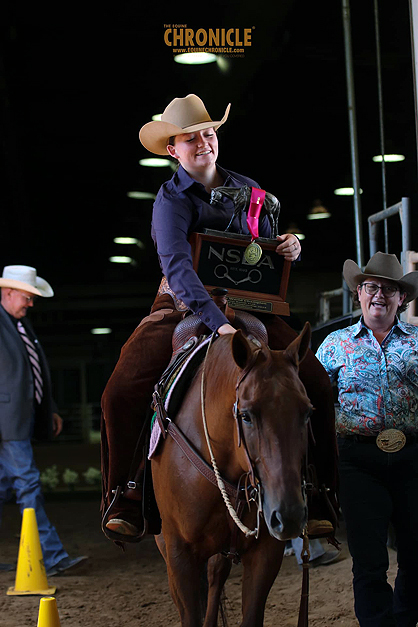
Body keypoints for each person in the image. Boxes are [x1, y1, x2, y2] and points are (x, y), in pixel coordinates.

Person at [101, 93, 338, 541]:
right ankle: (127, 494)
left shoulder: (251, 191)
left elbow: (263, 251)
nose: (202, 143)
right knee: (121, 390)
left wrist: (289, 245)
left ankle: (322, 492)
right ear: (173, 149)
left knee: (317, 383)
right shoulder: (169, 202)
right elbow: (178, 268)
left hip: (254, 307)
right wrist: (217, 322)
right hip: (182, 306)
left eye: (208, 134)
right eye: (189, 139)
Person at [316, 252, 418, 626]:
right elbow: (313, 403)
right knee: (369, 561)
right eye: (372, 287)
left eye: (389, 289)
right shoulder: (332, 346)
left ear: (401, 298)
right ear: (359, 292)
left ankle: (405, 620)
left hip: (413, 457)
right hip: (358, 461)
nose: (380, 295)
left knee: (416, 556)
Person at [0, 265, 88, 576]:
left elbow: (31, 371)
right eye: (27, 297)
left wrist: (46, 407)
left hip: (18, 418)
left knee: (4, 487)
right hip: (7, 422)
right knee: (28, 484)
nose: (31, 303)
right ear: (8, 293)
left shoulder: (19, 324)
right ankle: (51, 557)